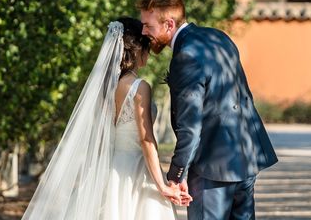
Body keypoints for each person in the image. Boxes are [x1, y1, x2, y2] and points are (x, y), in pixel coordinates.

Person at [21, 17, 188, 219]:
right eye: (147, 47)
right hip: (134, 170)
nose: (149, 54)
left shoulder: (104, 89)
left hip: (108, 170)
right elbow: (146, 139)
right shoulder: (139, 87)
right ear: (137, 50)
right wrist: (162, 186)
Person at [138, 0, 278, 220]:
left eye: (148, 26)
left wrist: (176, 175)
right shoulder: (218, 36)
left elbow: (190, 126)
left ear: (169, 24)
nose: (144, 32)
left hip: (213, 167)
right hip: (246, 155)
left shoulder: (186, 55)